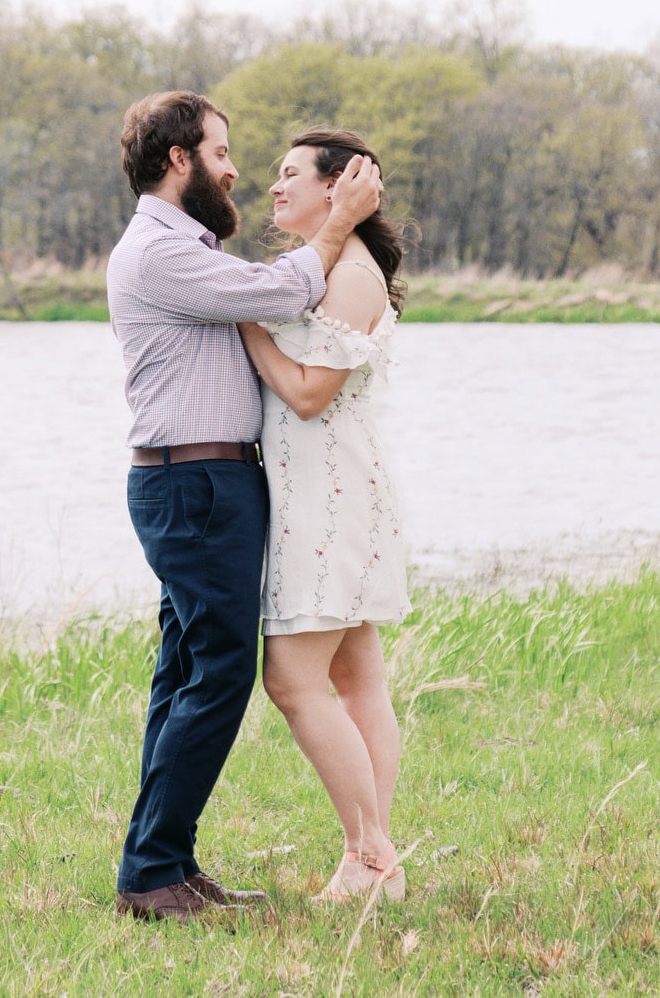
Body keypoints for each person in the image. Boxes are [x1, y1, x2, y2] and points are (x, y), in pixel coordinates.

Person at [106, 92, 384, 923]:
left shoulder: (183, 245)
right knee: (218, 673)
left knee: (188, 673)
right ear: (180, 160)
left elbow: (270, 297)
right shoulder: (160, 250)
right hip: (193, 486)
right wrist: (338, 222)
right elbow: (285, 290)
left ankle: (163, 866)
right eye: (222, 152)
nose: (235, 170)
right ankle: (155, 873)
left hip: (205, 483)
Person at [236, 128, 412, 902]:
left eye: (290, 175)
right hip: (331, 492)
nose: (275, 189)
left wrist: (246, 327)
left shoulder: (353, 276)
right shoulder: (324, 267)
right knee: (354, 676)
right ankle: (371, 862)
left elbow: (310, 395)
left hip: (331, 498)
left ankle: (369, 854)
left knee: (292, 680)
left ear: (340, 188)